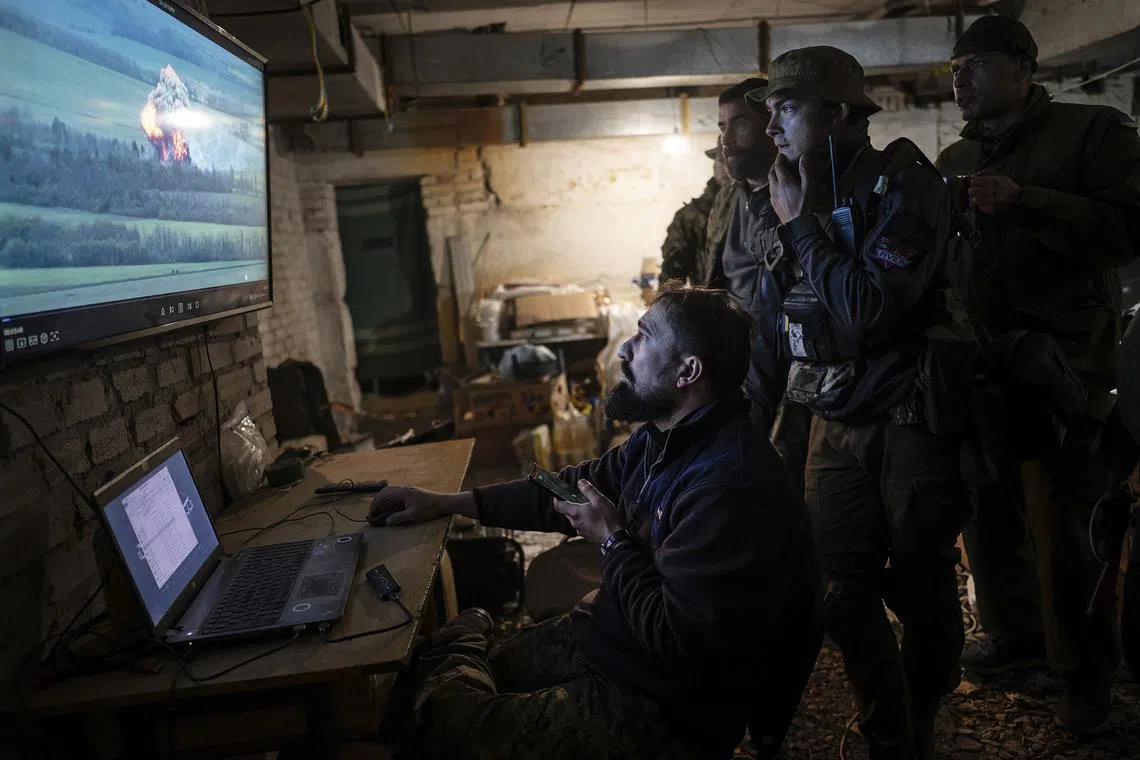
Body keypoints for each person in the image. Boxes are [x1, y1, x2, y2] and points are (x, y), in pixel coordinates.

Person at [369, 288, 822, 760]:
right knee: (481, 676)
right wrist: (443, 502)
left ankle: (462, 640)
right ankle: (462, 646)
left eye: (644, 338)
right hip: (615, 636)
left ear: (688, 371)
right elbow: (565, 490)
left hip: (664, 704)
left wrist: (612, 542)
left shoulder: (731, 487)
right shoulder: (662, 439)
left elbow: (677, 640)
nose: (625, 349)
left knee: (441, 727)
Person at [747, 46, 975, 758]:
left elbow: (870, 309)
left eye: (788, 108)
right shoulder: (792, 189)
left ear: (838, 113)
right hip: (830, 413)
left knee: (921, 582)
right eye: (771, 111)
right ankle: (888, 731)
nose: (773, 126)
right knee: (839, 591)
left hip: (906, 411)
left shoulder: (905, 183)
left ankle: (924, 711)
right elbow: (785, 314)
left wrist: (800, 226)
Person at [937, 14, 1140, 733]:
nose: (959, 79)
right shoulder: (957, 157)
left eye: (975, 65)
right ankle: (1015, 635)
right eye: (954, 69)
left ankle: (1083, 676)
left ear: (1024, 70)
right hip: (985, 359)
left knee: (1062, 526)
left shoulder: (1092, 134)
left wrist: (1030, 202)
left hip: (1066, 360)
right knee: (988, 508)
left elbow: (1130, 228)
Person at [716, 77, 814, 490]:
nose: (726, 139)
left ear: (770, 127)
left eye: (739, 123)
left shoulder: (807, 193)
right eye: (721, 126)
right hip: (742, 378)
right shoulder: (726, 202)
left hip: (801, 382)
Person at [658, 138, 732, 287]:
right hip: (709, 306)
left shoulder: (759, 207)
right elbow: (671, 279)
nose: (726, 167)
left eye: (729, 158)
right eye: (720, 160)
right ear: (714, 165)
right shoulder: (690, 217)